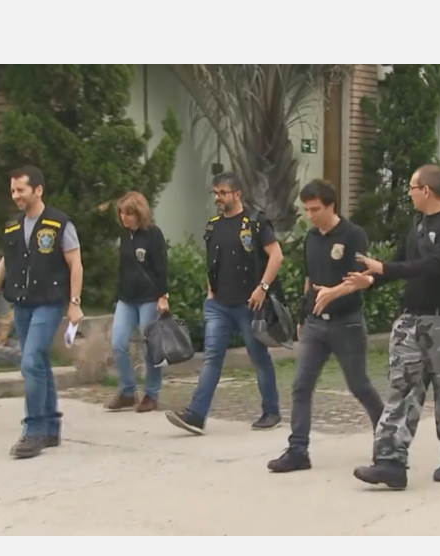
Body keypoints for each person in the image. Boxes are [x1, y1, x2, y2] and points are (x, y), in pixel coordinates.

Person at [345, 164, 440, 490]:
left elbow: (435, 265)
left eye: (412, 188)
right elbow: (401, 261)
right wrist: (371, 279)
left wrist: (385, 268)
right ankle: (390, 462)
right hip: (411, 321)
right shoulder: (417, 224)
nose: (409, 193)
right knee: (402, 388)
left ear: (426, 190)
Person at [267, 179, 384, 473]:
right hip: (315, 325)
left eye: (316, 209)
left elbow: (360, 279)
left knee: (359, 385)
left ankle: (388, 440)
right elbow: (309, 280)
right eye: (307, 210)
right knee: (301, 385)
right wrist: (303, 316)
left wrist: (333, 292)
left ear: (331, 206)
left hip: (347, 323)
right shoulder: (311, 238)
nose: (311, 215)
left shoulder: (353, 235)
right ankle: (298, 451)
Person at [0, 165, 84, 459]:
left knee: (31, 360)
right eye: (13, 190)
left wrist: (74, 302)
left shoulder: (59, 223)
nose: (16, 196)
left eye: (21, 190)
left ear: (38, 190)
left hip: (49, 302)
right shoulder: (13, 226)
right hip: (22, 304)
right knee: (39, 363)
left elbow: (75, 263)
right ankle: (50, 426)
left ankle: (33, 430)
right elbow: (5, 263)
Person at [164, 172, 283, 434]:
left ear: (237, 194)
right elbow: (212, 262)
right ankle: (196, 415)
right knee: (212, 358)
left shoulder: (256, 222)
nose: (218, 197)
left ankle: (271, 411)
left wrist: (262, 288)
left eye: (223, 193)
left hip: (248, 304)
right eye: (215, 193)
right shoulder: (214, 226)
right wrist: (210, 292)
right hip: (219, 305)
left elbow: (276, 256)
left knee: (259, 357)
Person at [105, 191, 170, 413]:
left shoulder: (153, 234)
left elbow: (161, 267)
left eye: (129, 214)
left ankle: (151, 393)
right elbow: (123, 268)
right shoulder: (124, 235)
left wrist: (162, 296)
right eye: (121, 213)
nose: (124, 218)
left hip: (149, 298)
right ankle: (127, 390)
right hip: (127, 298)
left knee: (149, 345)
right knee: (118, 343)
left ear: (139, 214)